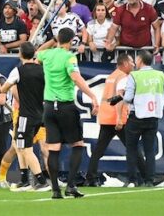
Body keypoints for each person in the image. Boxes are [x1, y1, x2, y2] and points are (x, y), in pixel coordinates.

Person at [38, 28, 99, 200]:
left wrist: (51, 41)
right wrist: (92, 95)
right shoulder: (69, 57)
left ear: (57, 39)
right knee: (77, 145)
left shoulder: (47, 55)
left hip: (49, 107)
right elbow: (76, 78)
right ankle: (71, 185)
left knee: (53, 148)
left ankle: (55, 190)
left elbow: (37, 53)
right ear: (72, 41)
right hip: (65, 106)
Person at [2, 42, 49, 192]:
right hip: (40, 114)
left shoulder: (18, 71)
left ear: (20, 54)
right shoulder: (43, 70)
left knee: (25, 148)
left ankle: (41, 181)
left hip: (25, 115)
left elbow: (4, 89)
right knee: (20, 146)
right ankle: (24, 181)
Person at [117, 50, 164, 188]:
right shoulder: (160, 75)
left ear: (140, 60)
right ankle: (149, 180)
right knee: (150, 150)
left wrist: (122, 95)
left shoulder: (134, 75)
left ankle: (132, 179)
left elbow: (127, 98)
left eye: (137, 59)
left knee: (131, 149)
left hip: (137, 115)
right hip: (153, 115)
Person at [85, 53, 132, 187]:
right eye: (131, 62)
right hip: (116, 118)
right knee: (133, 148)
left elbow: (108, 97)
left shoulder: (112, 76)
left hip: (106, 116)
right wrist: (119, 118)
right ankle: (145, 176)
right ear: (125, 64)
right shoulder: (123, 77)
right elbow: (119, 98)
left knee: (99, 150)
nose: (133, 65)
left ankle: (90, 177)